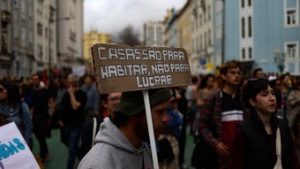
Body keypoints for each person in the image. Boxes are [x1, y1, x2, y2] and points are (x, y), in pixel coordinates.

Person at [78, 88, 171, 169]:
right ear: (135, 115)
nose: (166, 119)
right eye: (160, 111)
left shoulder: (141, 148)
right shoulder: (98, 164)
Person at [229, 78, 299, 169]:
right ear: (252, 101)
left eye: (273, 93)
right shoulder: (243, 132)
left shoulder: (283, 126)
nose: (272, 98)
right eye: (265, 94)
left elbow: (293, 160)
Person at [197, 60, 245, 169]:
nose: (237, 75)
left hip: (242, 155)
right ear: (223, 76)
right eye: (232, 73)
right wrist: (216, 144)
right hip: (220, 157)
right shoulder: (213, 99)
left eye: (238, 73)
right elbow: (202, 127)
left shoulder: (244, 98)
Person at [78, 92, 121, 159]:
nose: (119, 102)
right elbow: (84, 155)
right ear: (104, 103)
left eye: (121, 98)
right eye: (114, 99)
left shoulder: (127, 124)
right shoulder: (92, 125)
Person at [58, 74, 87, 169]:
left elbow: (75, 107)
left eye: (71, 82)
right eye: (68, 82)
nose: (68, 84)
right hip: (65, 125)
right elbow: (62, 107)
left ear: (76, 82)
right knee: (72, 147)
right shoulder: (65, 93)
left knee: (71, 150)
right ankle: (84, 159)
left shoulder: (82, 94)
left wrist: (71, 94)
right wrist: (60, 119)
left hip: (76, 126)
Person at [0, 80, 32, 147]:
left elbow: (28, 126)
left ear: (9, 90)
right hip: (4, 144)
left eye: (1, 90)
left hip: (19, 144)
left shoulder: (22, 106)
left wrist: (25, 144)